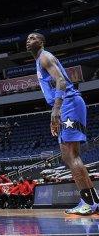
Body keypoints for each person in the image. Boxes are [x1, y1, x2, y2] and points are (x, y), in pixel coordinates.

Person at [27, 32, 99, 215]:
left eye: (33, 37)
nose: (29, 40)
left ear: (42, 42)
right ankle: (93, 201)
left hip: (68, 103)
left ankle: (88, 203)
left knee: (70, 155)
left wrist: (56, 109)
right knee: (70, 156)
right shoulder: (40, 60)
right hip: (67, 105)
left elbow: (60, 81)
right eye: (27, 38)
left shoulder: (45, 56)